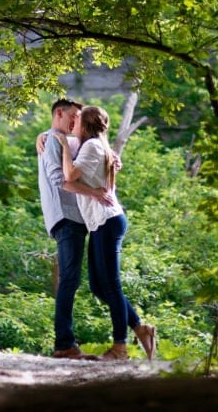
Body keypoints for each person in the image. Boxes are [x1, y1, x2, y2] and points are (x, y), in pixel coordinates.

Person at [54, 105, 156, 361]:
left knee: (110, 285)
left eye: (77, 122)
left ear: (86, 126)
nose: (73, 125)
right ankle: (140, 328)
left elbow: (70, 174)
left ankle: (120, 348)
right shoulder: (97, 146)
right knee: (99, 287)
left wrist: (64, 148)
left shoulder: (92, 147)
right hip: (101, 222)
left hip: (107, 221)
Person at [37, 98, 115, 359]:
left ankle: (67, 343)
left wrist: (112, 158)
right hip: (65, 217)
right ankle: (64, 345)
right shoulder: (52, 139)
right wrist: (95, 193)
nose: (76, 121)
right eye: (73, 116)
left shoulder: (67, 140)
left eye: (80, 118)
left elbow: (90, 153)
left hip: (78, 219)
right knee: (70, 278)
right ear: (59, 112)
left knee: (78, 280)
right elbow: (62, 182)